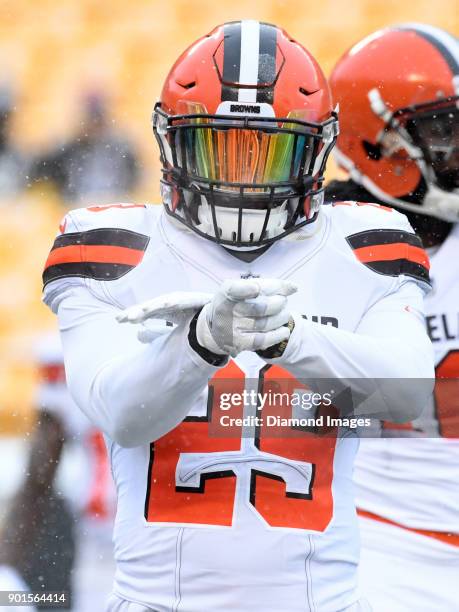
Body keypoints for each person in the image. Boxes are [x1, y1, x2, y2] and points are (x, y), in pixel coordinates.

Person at [42, 21, 434, 612]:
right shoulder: (108, 245)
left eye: (271, 154)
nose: (243, 182)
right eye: (218, 149)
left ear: (319, 147)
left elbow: (406, 398)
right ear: (170, 141)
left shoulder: (365, 243)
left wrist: (291, 341)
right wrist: (199, 344)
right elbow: (121, 414)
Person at [327, 23, 459, 612]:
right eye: (445, 131)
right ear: (377, 147)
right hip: (378, 548)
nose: (457, 147)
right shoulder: (318, 248)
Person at [0, 333, 115, 612]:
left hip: (111, 534)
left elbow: (39, 471)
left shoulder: (76, 346)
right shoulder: (225, 338)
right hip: (178, 529)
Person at [31, 93, 140, 204]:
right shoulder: (70, 150)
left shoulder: (121, 148)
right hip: (77, 208)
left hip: (113, 208)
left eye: (97, 121)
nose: (93, 126)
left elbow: (136, 182)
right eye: (91, 120)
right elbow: (40, 170)